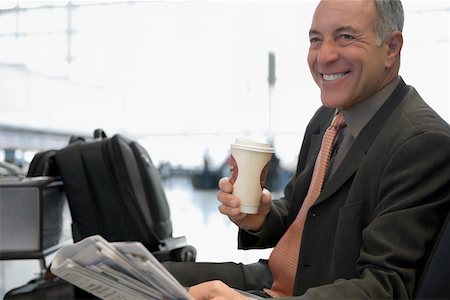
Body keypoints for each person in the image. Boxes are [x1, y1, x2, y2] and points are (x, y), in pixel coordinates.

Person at [163, 0, 450, 298]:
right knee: (134, 276)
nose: (323, 56)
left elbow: (383, 287)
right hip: (273, 278)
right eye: (316, 39)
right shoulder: (327, 118)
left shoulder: (420, 142)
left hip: (305, 293)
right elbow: (302, 210)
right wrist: (261, 217)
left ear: (391, 47)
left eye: (345, 37)